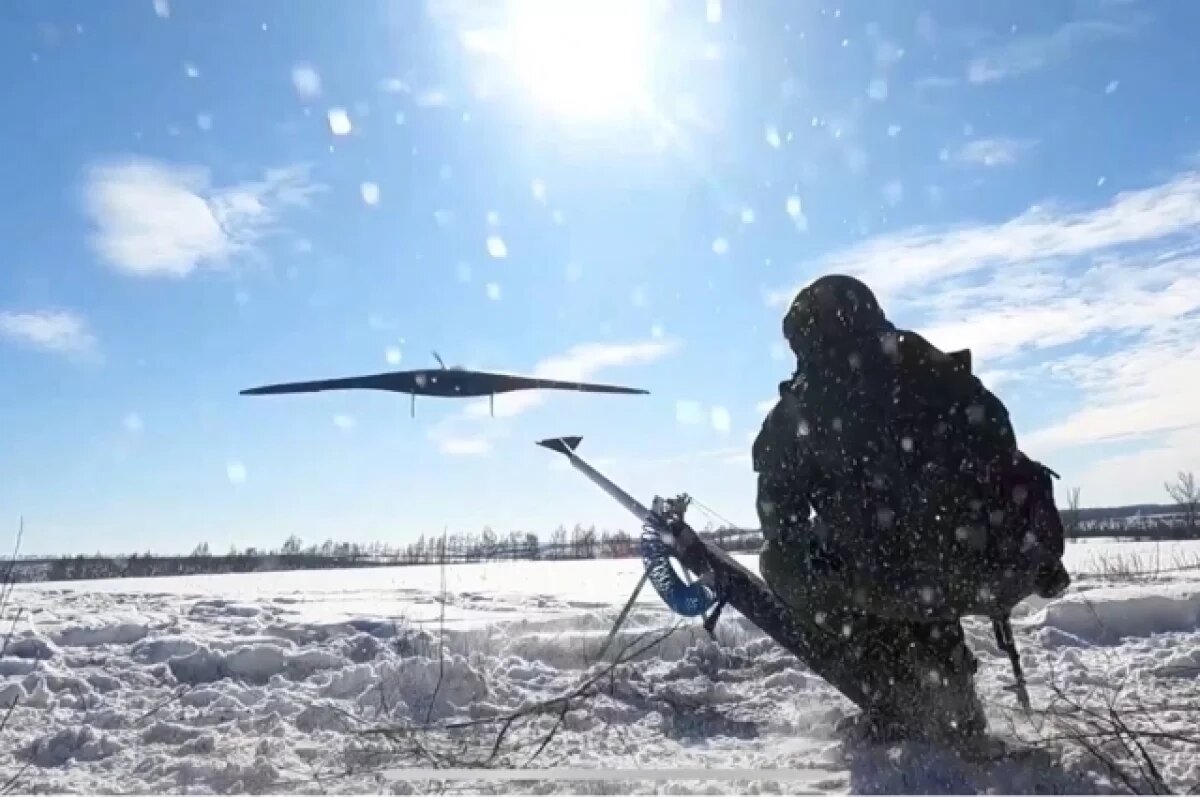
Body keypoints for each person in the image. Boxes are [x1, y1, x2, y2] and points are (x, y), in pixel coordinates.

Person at [752, 274, 1070, 742]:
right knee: (918, 569)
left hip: (894, 577)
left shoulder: (802, 406)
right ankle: (951, 693)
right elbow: (1002, 446)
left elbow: (779, 518)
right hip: (985, 570)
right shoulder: (933, 364)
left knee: (781, 561)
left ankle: (900, 690)